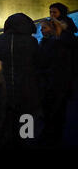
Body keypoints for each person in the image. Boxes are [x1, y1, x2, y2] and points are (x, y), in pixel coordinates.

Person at [0, 13, 42, 148]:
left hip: (5, 89)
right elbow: (38, 63)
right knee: (26, 123)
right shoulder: (31, 41)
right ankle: (25, 142)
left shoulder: (0, 39)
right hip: (27, 89)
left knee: (6, 123)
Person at [37, 19, 76, 147]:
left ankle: (50, 138)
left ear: (52, 29)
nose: (42, 30)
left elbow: (50, 65)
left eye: (44, 28)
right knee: (56, 113)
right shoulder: (53, 43)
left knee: (52, 113)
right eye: (41, 28)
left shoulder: (54, 45)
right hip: (56, 85)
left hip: (53, 85)